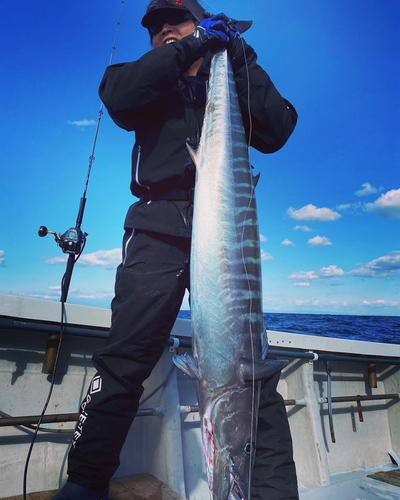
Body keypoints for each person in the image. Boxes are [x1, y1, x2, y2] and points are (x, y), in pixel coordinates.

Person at [54, 1, 299, 499]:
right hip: (157, 228)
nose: (164, 32)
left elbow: (279, 128)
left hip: (226, 229)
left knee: (249, 368)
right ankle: (84, 483)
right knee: (124, 358)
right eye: (156, 30)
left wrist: (237, 51)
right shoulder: (141, 80)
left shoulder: (231, 75)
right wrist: (190, 46)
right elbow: (119, 96)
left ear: (202, 22)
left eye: (178, 23)